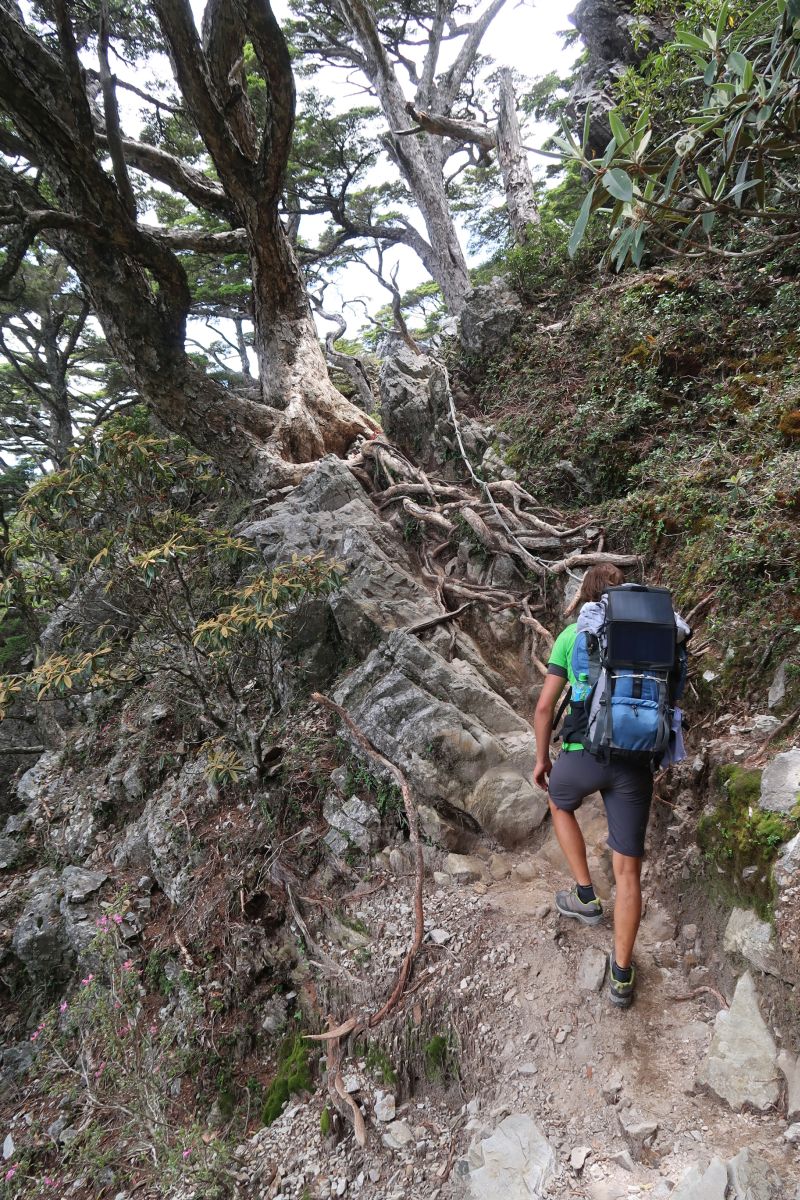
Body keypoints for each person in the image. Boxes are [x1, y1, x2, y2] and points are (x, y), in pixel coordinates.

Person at [533, 564, 652, 1009]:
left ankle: (584, 895)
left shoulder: (570, 636)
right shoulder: (646, 635)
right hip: (635, 763)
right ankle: (621, 976)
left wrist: (543, 758)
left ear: (585, 597)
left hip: (583, 753)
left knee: (559, 800)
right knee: (628, 872)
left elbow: (545, 708)